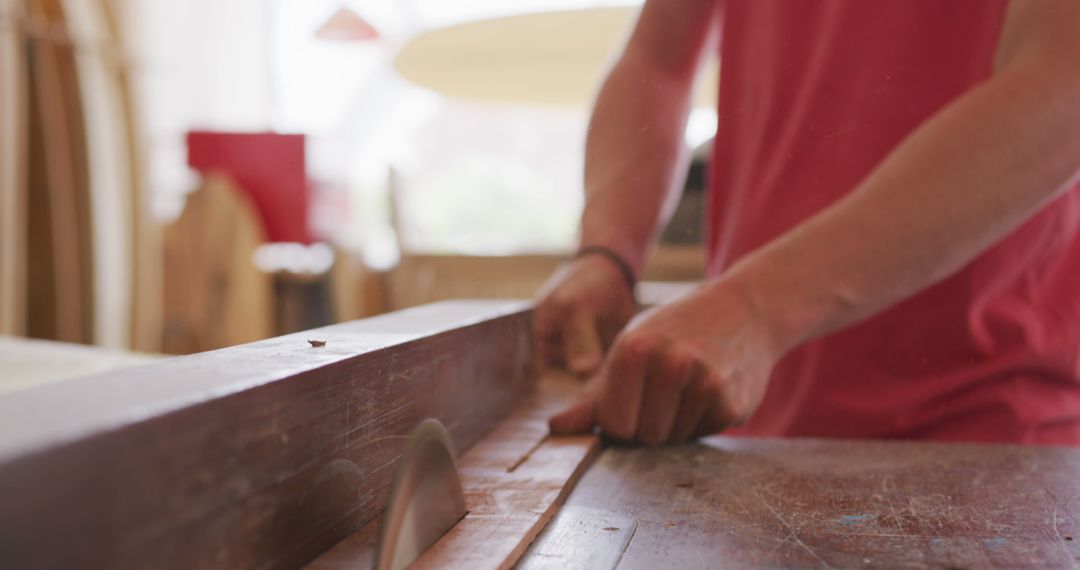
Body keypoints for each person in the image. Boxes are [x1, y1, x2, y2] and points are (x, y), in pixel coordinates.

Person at [535, 0, 1080, 446]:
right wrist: (606, 254)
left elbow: (1063, 83)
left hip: (990, 430)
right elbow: (657, 59)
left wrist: (754, 308)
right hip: (747, 431)